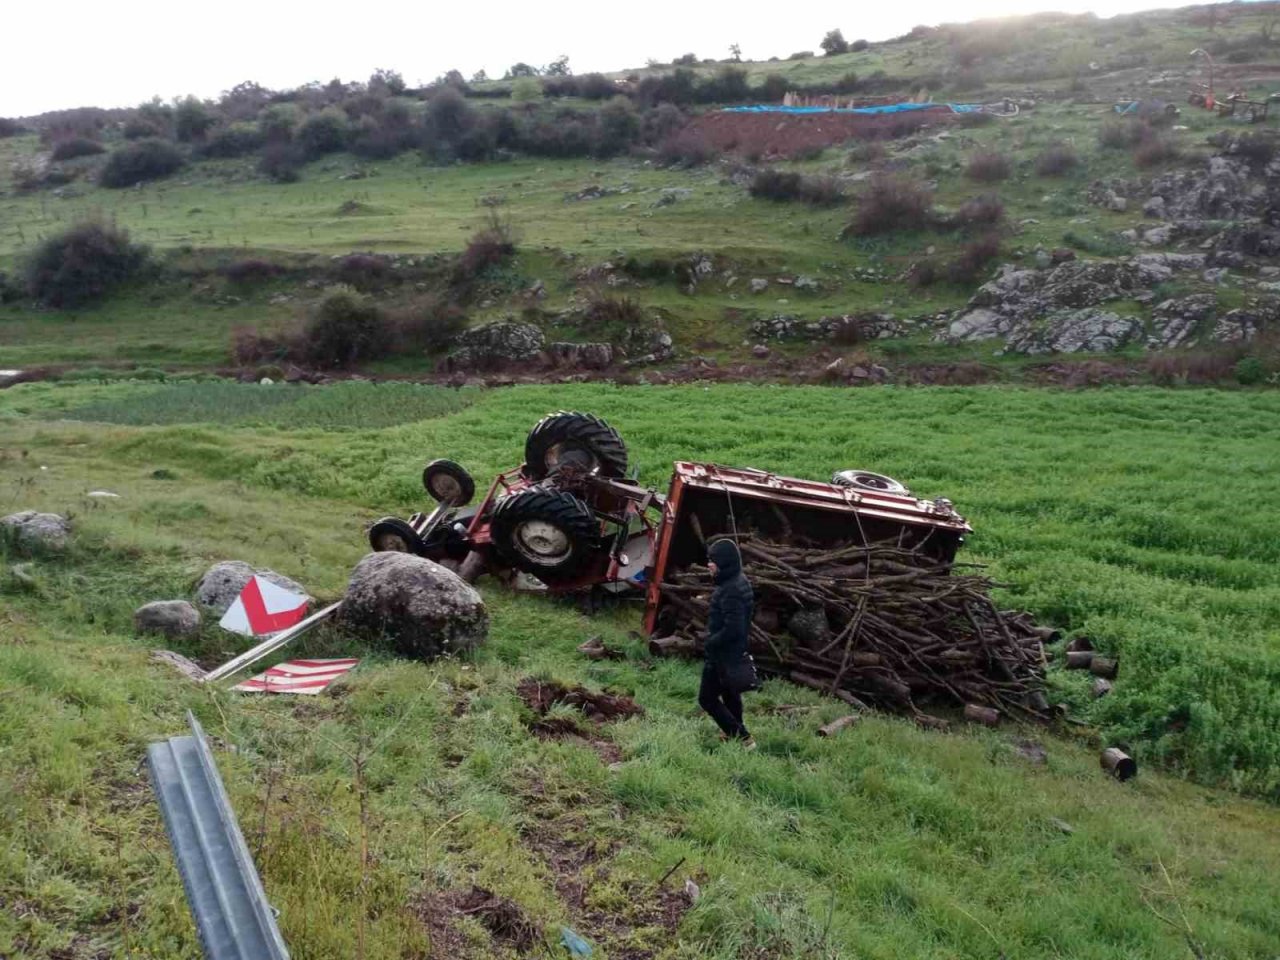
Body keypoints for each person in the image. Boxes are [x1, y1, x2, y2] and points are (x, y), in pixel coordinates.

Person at [699, 538, 756, 748]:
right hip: (733, 651)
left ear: (723, 562)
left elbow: (734, 628)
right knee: (730, 693)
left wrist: (710, 642)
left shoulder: (731, 590)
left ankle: (741, 737)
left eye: (712, 561)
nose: (709, 565)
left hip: (722, 654)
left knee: (707, 699)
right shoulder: (738, 581)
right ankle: (735, 732)